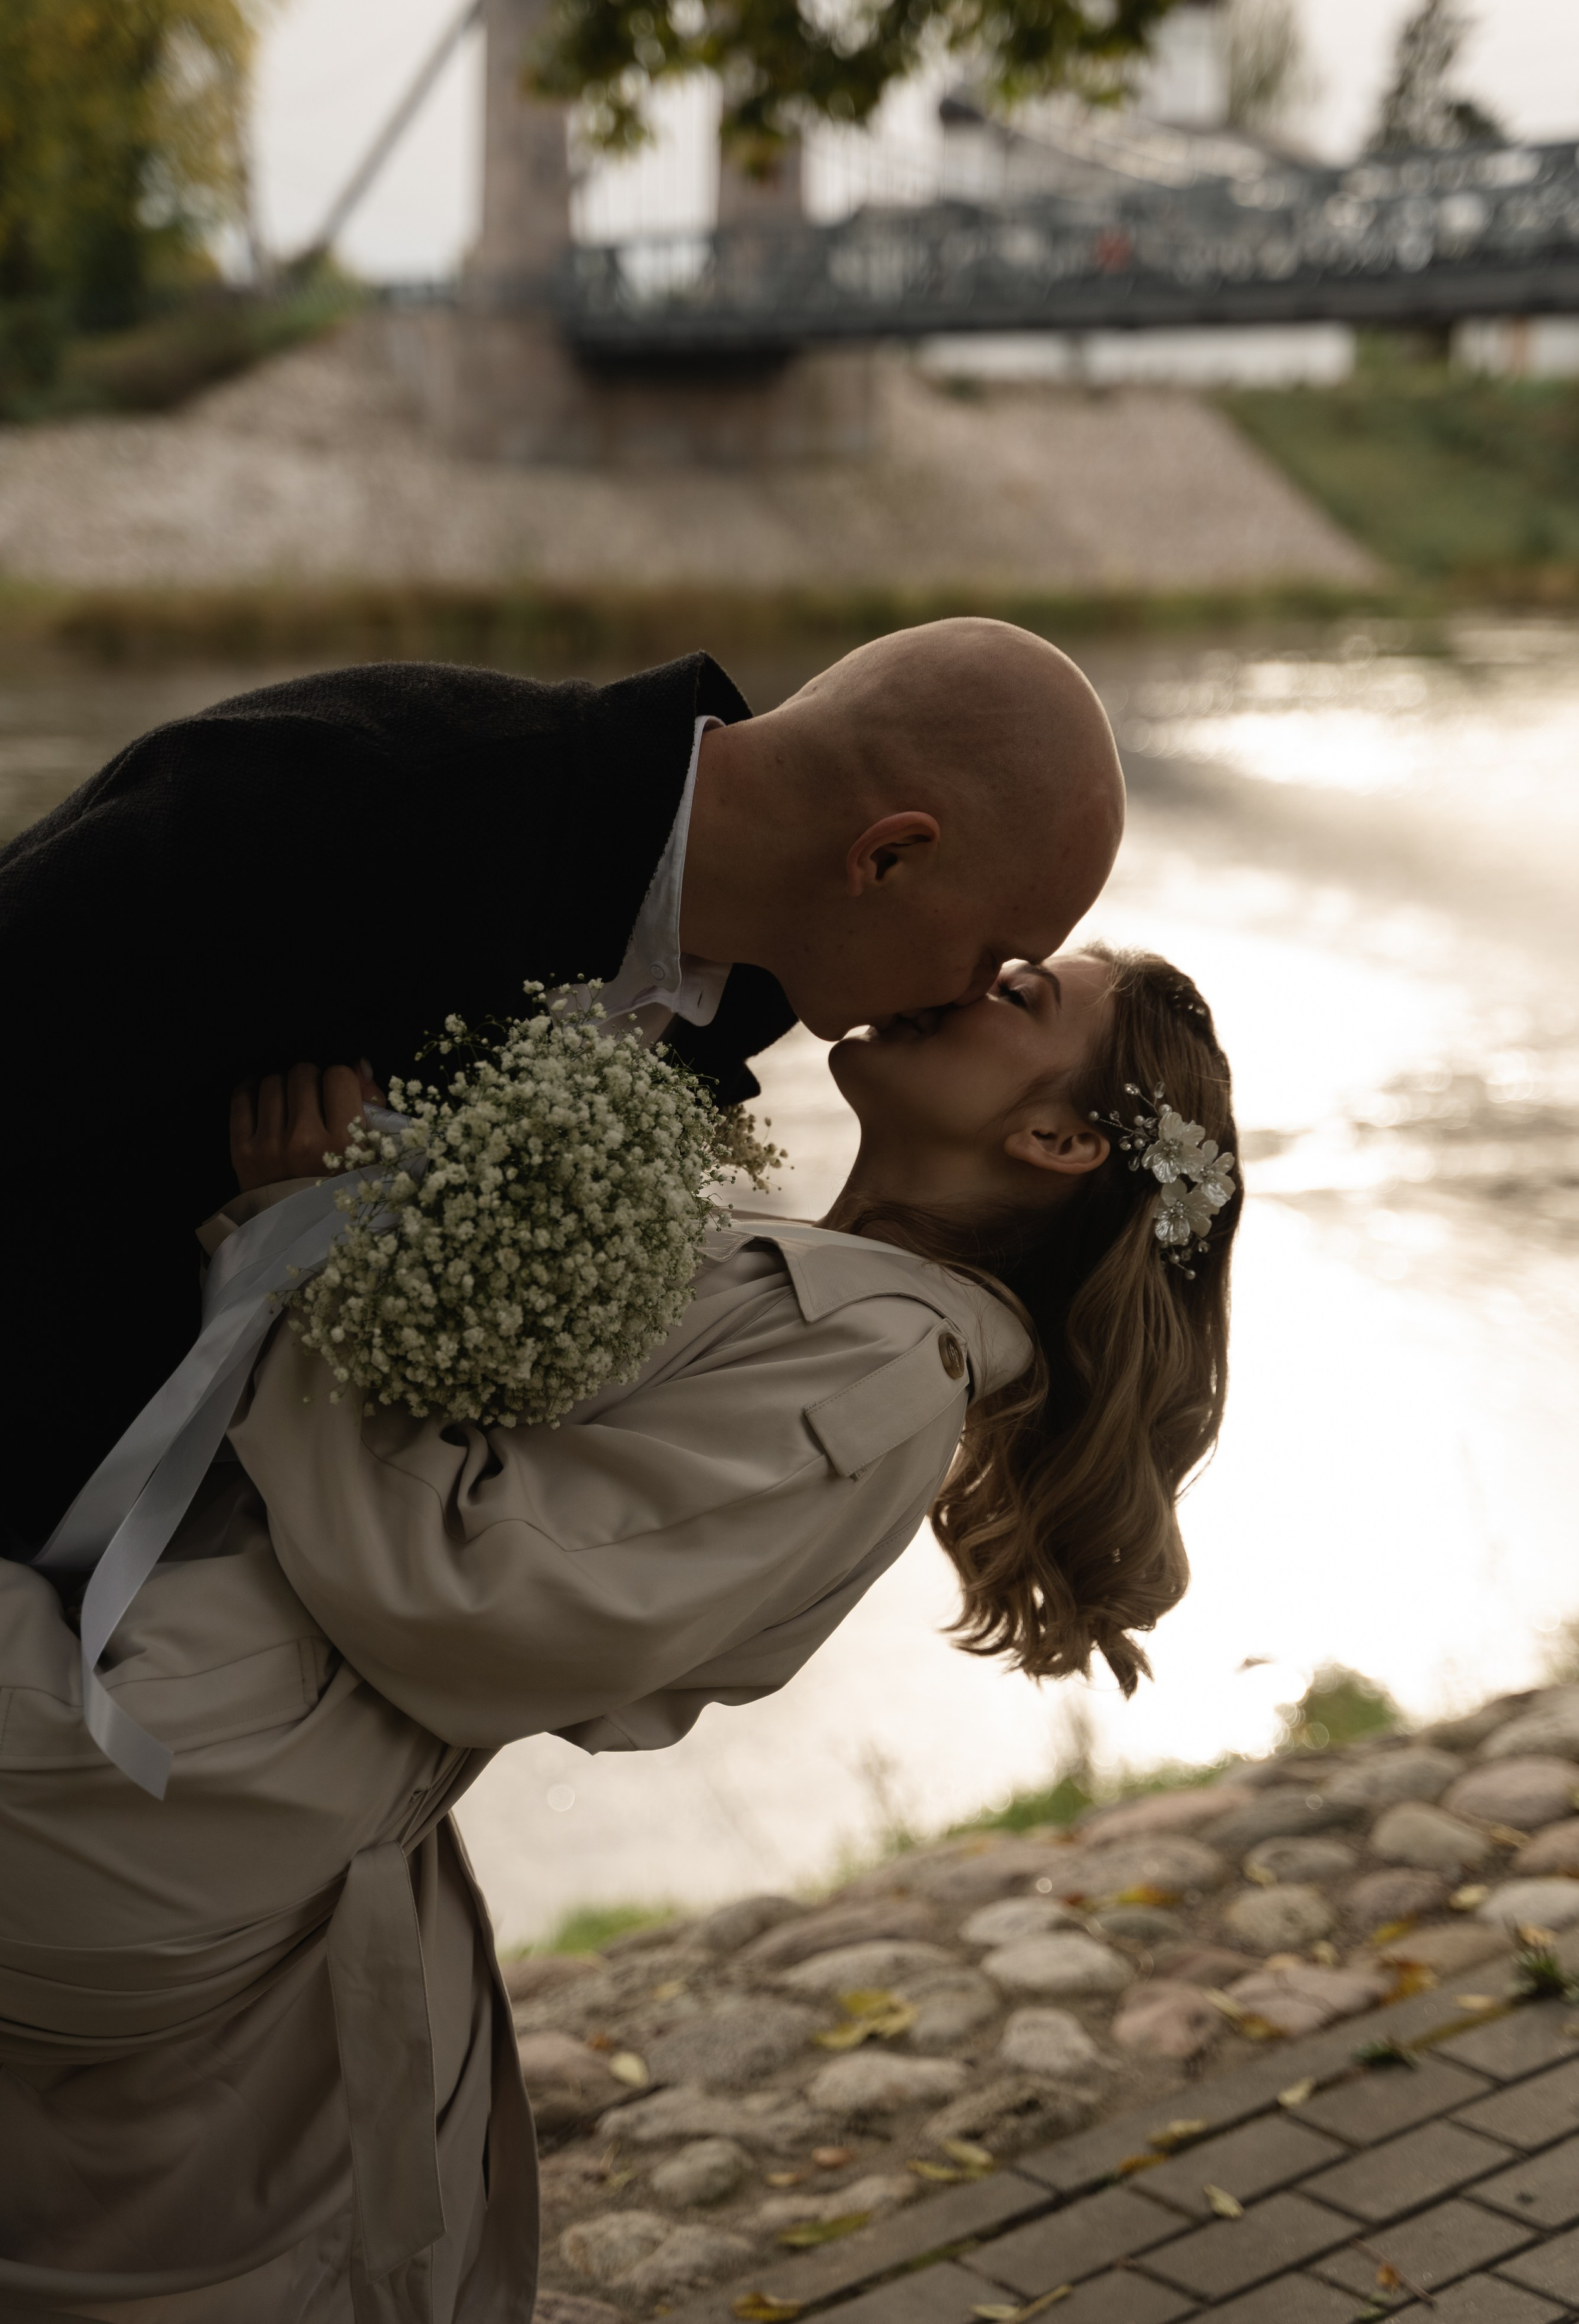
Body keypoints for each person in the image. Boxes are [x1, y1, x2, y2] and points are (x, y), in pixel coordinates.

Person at [0, 942, 1240, 2321]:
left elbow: (476, 1601)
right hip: (204, 1740)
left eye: (1019, 997)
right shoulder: (823, 1292)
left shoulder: (881, 1374)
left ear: (1058, 1138)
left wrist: (304, 1235)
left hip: (166, 1741)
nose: (959, 978)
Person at [0, 618, 1122, 1564]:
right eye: (993, 955)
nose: (969, 996)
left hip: (215, 1591)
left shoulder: (753, 997)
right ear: (886, 858)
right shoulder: (354, 793)